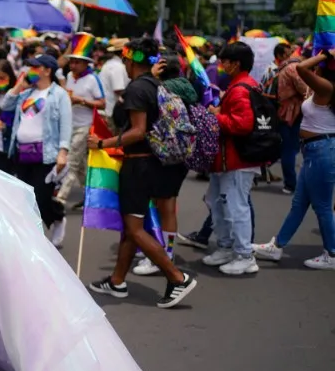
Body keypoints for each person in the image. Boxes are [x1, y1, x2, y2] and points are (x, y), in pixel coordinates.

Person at [87, 38, 197, 308]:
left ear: (131, 59)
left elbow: (138, 131)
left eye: (124, 58)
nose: (122, 62)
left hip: (139, 166)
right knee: (131, 226)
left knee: (135, 229)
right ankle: (117, 281)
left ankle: (177, 277)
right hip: (152, 165)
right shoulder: (154, 84)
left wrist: (101, 144)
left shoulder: (137, 88)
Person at [252, 48, 335, 270]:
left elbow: (300, 67)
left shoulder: (326, 87)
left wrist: (325, 53)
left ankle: (332, 253)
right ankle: (277, 245)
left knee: (323, 206)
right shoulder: (319, 87)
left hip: (322, 150)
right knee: (299, 204)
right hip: (313, 150)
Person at [201, 41, 263, 275]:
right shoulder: (244, 85)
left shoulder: (239, 89)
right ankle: (227, 247)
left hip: (237, 160)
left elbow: (242, 125)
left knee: (236, 207)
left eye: (225, 61)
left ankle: (245, 255)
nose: (221, 65)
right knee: (216, 202)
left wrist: (217, 115)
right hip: (230, 160)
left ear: (236, 64)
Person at [132, 53, 195, 276]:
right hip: (182, 153)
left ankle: (160, 255)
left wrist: (149, 76)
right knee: (168, 206)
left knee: (158, 206)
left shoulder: (159, 90)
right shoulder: (186, 87)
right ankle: (165, 251)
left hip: (161, 154)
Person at [1, 53, 71, 246]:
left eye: (35, 67)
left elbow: (66, 125)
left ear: (47, 71)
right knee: (24, 198)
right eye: (29, 66)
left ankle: (50, 224)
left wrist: (63, 152)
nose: (30, 70)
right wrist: (19, 86)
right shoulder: (25, 93)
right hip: (22, 153)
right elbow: (6, 105)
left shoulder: (59, 95)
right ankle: (32, 237)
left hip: (46, 155)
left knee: (39, 198)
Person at [55, 33, 105, 212]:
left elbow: (102, 103)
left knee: (72, 161)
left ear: (86, 63)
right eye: (72, 61)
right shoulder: (69, 76)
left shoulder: (92, 79)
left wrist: (81, 101)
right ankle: (91, 194)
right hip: (70, 124)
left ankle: (60, 199)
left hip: (85, 126)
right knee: (80, 166)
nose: (73, 65)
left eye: (77, 62)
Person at [276, 47, 308, 194]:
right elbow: (305, 90)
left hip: (284, 112)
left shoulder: (282, 68)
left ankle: (291, 183)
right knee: (290, 149)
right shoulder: (293, 68)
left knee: (289, 148)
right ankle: (291, 183)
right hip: (293, 113)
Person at [99, 38, 130, 128]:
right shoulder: (117, 67)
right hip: (110, 112)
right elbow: (118, 89)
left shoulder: (111, 64)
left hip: (107, 110)